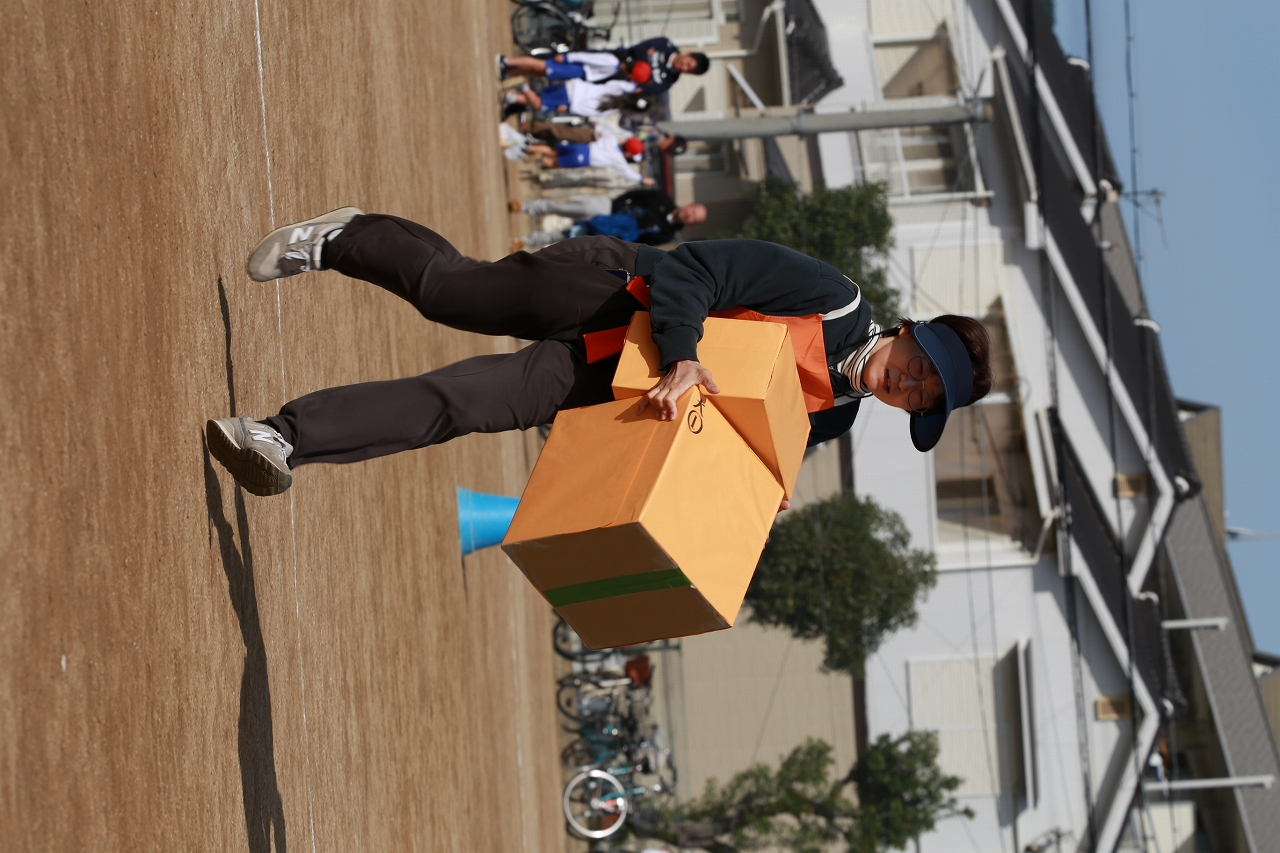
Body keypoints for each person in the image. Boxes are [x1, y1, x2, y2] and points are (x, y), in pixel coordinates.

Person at [206, 208, 992, 498]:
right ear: (909, 330)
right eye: (922, 366)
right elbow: (695, 268)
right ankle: (343, 237)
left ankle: (281, 437)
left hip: (607, 379)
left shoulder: (831, 421)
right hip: (611, 291)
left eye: (921, 399)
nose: (909, 385)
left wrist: (756, 492)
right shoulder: (830, 294)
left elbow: (719, 447)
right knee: (449, 291)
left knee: (462, 405)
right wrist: (684, 354)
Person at [500, 37, 709, 96]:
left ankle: (512, 70)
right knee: (553, 63)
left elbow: (646, 87)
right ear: (688, 54)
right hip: (611, 59)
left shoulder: (668, 81)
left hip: (604, 77)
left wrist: (641, 67)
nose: (684, 67)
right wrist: (642, 64)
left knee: (548, 73)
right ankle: (510, 63)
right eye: (688, 63)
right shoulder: (665, 44)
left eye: (688, 70)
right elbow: (639, 49)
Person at [509, 189, 706, 249]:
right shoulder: (663, 198)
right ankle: (526, 207)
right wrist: (618, 205)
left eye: (693, 218)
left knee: (566, 237)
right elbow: (636, 193)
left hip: (610, 231)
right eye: (693, 210)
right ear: (689, 205)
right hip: (607, 208)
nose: (689, 214)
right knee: (563, 208)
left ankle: (526, 241)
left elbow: (640, 243)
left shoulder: (666, 234)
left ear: (691, 224)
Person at [525, 125, 650, 185]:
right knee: (554, 163)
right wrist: (642, 179)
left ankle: (528, 148)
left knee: (553, 150)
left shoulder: (613, 139)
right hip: (583, 159)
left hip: (582, 147)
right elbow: (627, 172)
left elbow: (603, 130)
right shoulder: (618, 159)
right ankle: (539, 158)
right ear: (628, 153)